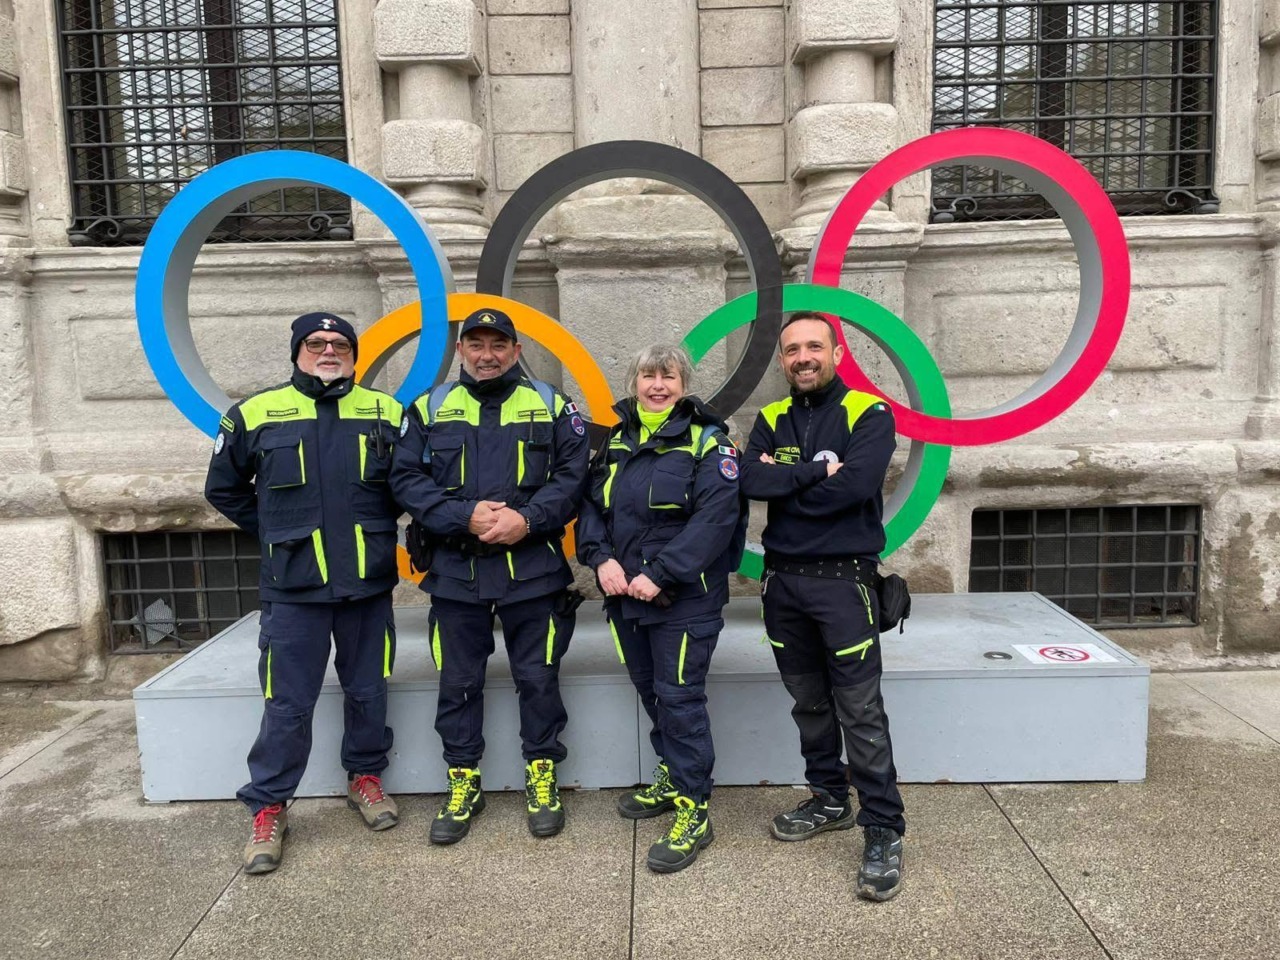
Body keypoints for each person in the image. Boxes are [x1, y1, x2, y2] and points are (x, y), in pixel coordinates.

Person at [205, 312, 404, 876]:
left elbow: (408, 484)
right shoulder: (254, 413)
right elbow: (223, 488)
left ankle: (365, 778)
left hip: (367, 581)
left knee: (368, 689)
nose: (328, 351)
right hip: (294, 587)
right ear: (297, 352)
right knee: (287, 702)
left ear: (354, 355)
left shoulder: (385, 412)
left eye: (339, 344)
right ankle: (269, 805)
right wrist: (277, 531)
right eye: (315, 343)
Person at [390, 307, 590, 844]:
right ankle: (463, 780)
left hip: (533, 569)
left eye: (498, 344)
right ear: (460, 352)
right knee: (457, 683)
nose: (486, 354)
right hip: (457, 570)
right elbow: (405, 478)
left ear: (516, 351)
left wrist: (527, 519)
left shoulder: (551, 404)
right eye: (475, 344)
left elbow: (574, 476)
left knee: (539, 679)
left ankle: (542, 774)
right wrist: (464, 516)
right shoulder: (430, 407)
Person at [738, 311, 907, 902]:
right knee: (809, 704)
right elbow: (748, 485)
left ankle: (883, 826)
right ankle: (830, 798)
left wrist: (788, 481)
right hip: (782, 585)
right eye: (791, 350)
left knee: (860, 711)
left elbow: (856, 488)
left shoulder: (870, 413)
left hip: (845, 585)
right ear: (782, 360)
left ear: (835, 353)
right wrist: (812, 473)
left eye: (814, 346)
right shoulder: (770, 418)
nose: (802, 357)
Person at [576, 344, 744, 873]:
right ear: (633, 382)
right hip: (626, 596)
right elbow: (591, 508)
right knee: (651, 691)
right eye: (647, 375)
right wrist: (599, 559)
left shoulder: (707, 441)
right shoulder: (616, 441)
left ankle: (694, 808)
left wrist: (661, 572)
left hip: (683, 600)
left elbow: (715, 520)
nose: (657, 385)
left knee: (679, 699)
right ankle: (672, 773)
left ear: (683, 385)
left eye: (668, 377)